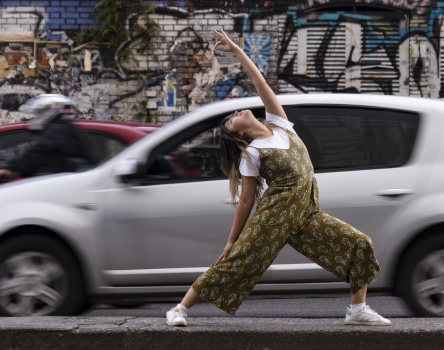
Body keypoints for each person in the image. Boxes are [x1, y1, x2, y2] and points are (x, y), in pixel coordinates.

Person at [165, 30, 391, 327]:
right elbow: (246, 199)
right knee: (237, 264)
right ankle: (180, 308)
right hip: (272, 217)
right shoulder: (253, 153)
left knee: (359, 243)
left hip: (306, 215)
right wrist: (232, 240)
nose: (236, 112)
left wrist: (236, 50)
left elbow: (260, 83)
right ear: (241, 134)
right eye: (232, 120)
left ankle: (357, 309)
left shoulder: (280, 125)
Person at [0, 95, 97, 178]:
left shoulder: (57, 130)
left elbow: (39, 151)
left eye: (39, 113)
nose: (36, 118)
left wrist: (10, 169)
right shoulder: (68, 129)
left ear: (50, 111)